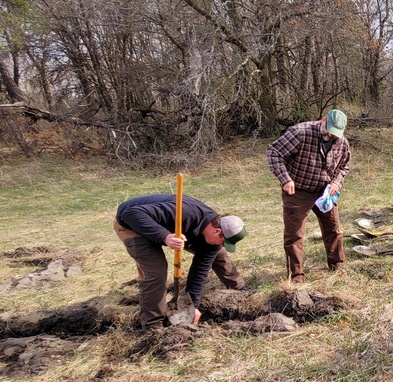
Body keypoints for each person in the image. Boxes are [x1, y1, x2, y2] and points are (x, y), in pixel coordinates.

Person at [113, 194, 247, 330]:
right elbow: (129, 214)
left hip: (167, 226)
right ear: (217, 231)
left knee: (218, 253)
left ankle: (240, 290)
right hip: (133, 224)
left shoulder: (212, 232)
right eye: (224, 242)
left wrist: (192, 305)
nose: (223, 245)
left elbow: (200, 270)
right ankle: (153, 324)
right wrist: (165, 236)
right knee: (156, 271)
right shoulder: (186, 213)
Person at [267, 109, 351, 284]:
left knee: (333, 229)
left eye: (336, 133)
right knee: (294, 234)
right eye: (330, 131)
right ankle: (296, 276)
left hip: (324, 193)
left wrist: (336, 183)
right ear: (323, 121)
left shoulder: (342, 142)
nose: (332, 135)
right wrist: (285, 179)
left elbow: (344, 166)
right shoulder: (300, 132)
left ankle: (338, 265)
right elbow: (274, 152)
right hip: (298, 191)